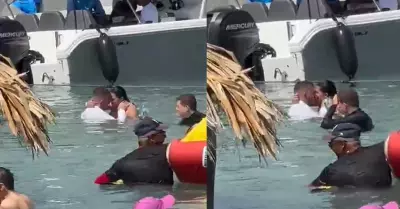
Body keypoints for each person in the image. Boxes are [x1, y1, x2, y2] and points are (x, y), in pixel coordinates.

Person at [94, 117, 173, 185]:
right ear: (152, 137)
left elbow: (99, 182)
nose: (165, 136)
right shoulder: (168, 153)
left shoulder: (122, 163)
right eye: (162, 133)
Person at [310, 123, 392, 188]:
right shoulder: (382, 152)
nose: (330, 146)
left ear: (340, 145)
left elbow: (312, 189)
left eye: (331, 143)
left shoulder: (330, 171)